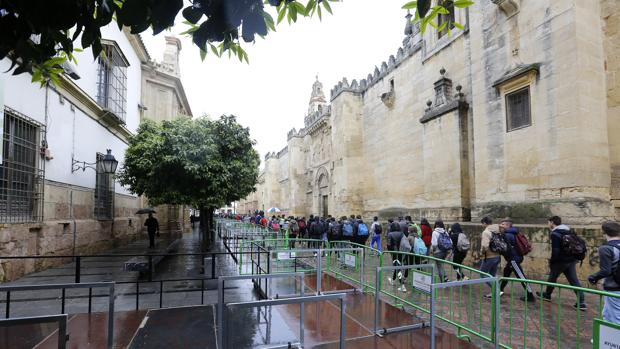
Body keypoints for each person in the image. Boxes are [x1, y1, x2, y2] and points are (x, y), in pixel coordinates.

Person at [537, 216, 586, 310]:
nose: (548, 224)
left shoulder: (555, 234)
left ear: (552, 222)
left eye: (548, 222)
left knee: (552, 277)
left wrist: (552, 261)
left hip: (560, 261)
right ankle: (581, 302)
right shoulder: (569, 231)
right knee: (574, 280)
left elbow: (555, 250)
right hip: (571, 260)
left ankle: (547, 295)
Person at [588, 221, 620, 323]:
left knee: (614, 319)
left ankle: (614, 338)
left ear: (604, 233)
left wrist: (593, 277)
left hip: (614, 287)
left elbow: (606, 270)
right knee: (607, 314)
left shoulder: (606, 248)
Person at [498, 219, 535, 302]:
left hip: (513, 259)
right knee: (506, 273)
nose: (500, 225)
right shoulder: (515, 232)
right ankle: (500, 290)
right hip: (515, 258)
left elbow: (506, 249)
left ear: (508, 226)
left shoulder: (507, 235)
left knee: (521, 277)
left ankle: (530, 296)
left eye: (503, 224)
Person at [479, 217, 501, 295]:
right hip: (497, 255)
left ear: (485, 223)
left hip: (489, 256)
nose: (482, 225)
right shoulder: (497, 230)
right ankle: (495, 292)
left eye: (482, 223)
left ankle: (497, 290)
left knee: (482, 275)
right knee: (492, 275)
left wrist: (481, 252)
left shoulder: (486, 232)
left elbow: (485, 246)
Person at [386, 222, 405, 289]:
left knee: (397, 266)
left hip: (394, 252)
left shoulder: (390, 234)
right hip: (401, 251)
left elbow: (388, 244)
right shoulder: (402, 233)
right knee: (397, 265)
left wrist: (390, 251)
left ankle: (400, 281)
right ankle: (394, 279)